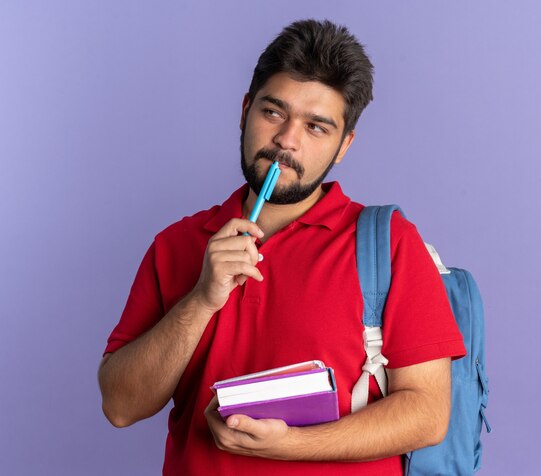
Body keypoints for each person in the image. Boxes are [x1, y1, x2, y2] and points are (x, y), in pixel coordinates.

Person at [98, 19, 466, 476]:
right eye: (274, 113)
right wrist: (201, 300)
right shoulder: (176, 244)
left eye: (316, 127)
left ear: (343, 145)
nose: (286, 141)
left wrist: (288, 445)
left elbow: (427, 414)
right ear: (245, 111)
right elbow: (120, 406)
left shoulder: (388, 243)